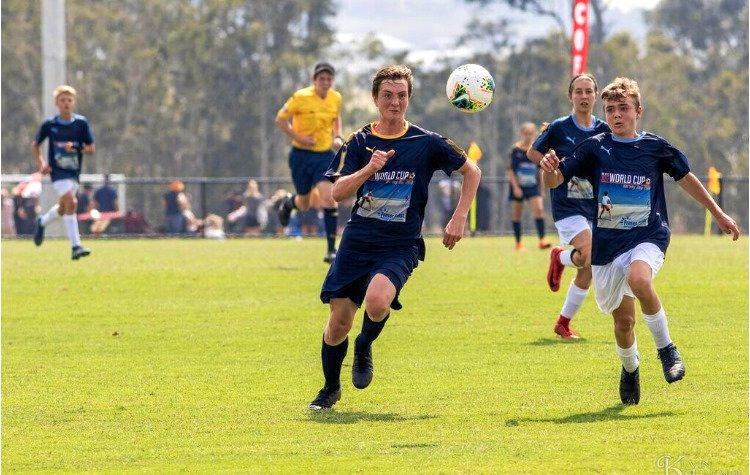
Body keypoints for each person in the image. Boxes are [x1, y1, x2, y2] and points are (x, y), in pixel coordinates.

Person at [539, 77, 740, 405]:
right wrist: (549, 169)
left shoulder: (655, 147)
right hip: (607, 247)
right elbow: (556, 178)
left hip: (648, 236)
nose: (616, 115)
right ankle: (630, 369)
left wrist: (718, 214)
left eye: (623, 109)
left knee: (639, 277)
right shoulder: (595, 147)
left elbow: (686, 179)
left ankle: (667, 350)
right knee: (624, 323)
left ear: (638, 111)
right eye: (610, 110)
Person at [308, 65, 482, 410]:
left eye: (401, 95)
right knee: (338, 322)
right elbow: (335, 194)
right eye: (387, 95)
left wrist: (459, 215)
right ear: (375, 99)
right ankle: (330, 388)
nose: (395, 102)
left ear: (409, 99)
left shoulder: (428, 142)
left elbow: (472, 170)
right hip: (357, 242)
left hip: (399, 245)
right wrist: (369, 168)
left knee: (377, 301)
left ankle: (365, 345)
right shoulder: (359, 142)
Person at [527, 73, 610, 339]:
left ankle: (563, 322)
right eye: (578, 91)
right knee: (589, 253)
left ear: (595, 95)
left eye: (588, 91)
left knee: (589, 265)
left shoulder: (604, 130)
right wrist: (549, 163)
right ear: (571, 96)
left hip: (596, 206)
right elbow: (532, 152)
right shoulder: (560, 127)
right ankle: (562, 257)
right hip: (567, 205)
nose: (584, 96)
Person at [275, 62, 343, 263]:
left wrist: (337, 135)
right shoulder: (300, 97)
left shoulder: (335, 97)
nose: (325, 82)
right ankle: (289, 203)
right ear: (314, 80)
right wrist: (298, 137)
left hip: (324, 155)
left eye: (329, 79)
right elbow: (280, 119)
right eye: (321, 79)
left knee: (328, 198)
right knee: (304, 204)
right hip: (301, 155)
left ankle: (332, 250)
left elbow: (336, 117)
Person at [32, 85, 95, 259]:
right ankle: (76, 246)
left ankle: (42, 221)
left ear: (73, 103)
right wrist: (42, 163)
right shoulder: (50, 124)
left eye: (69, 100)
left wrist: (76, 147)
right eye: (62, 100)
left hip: (74, 173)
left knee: (63, 207)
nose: (66, 103)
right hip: (57, 172)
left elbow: (91, 149)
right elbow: (35, 145)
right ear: (56, 103)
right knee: (71, 202)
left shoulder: (81, 123)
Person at [507, 122, 550, 250]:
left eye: (531, 134)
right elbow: (510, 170)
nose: (528, 136)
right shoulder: (515, 150)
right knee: (516, 213)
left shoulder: (536, 150)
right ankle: (518, 243)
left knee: (539, 210)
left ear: (534, 134)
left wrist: (541, 188)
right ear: (521, 133)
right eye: (526, 133)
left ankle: (542, 240)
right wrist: (516, 187)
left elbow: (541, 170)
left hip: (533, 186)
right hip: (518, 186)